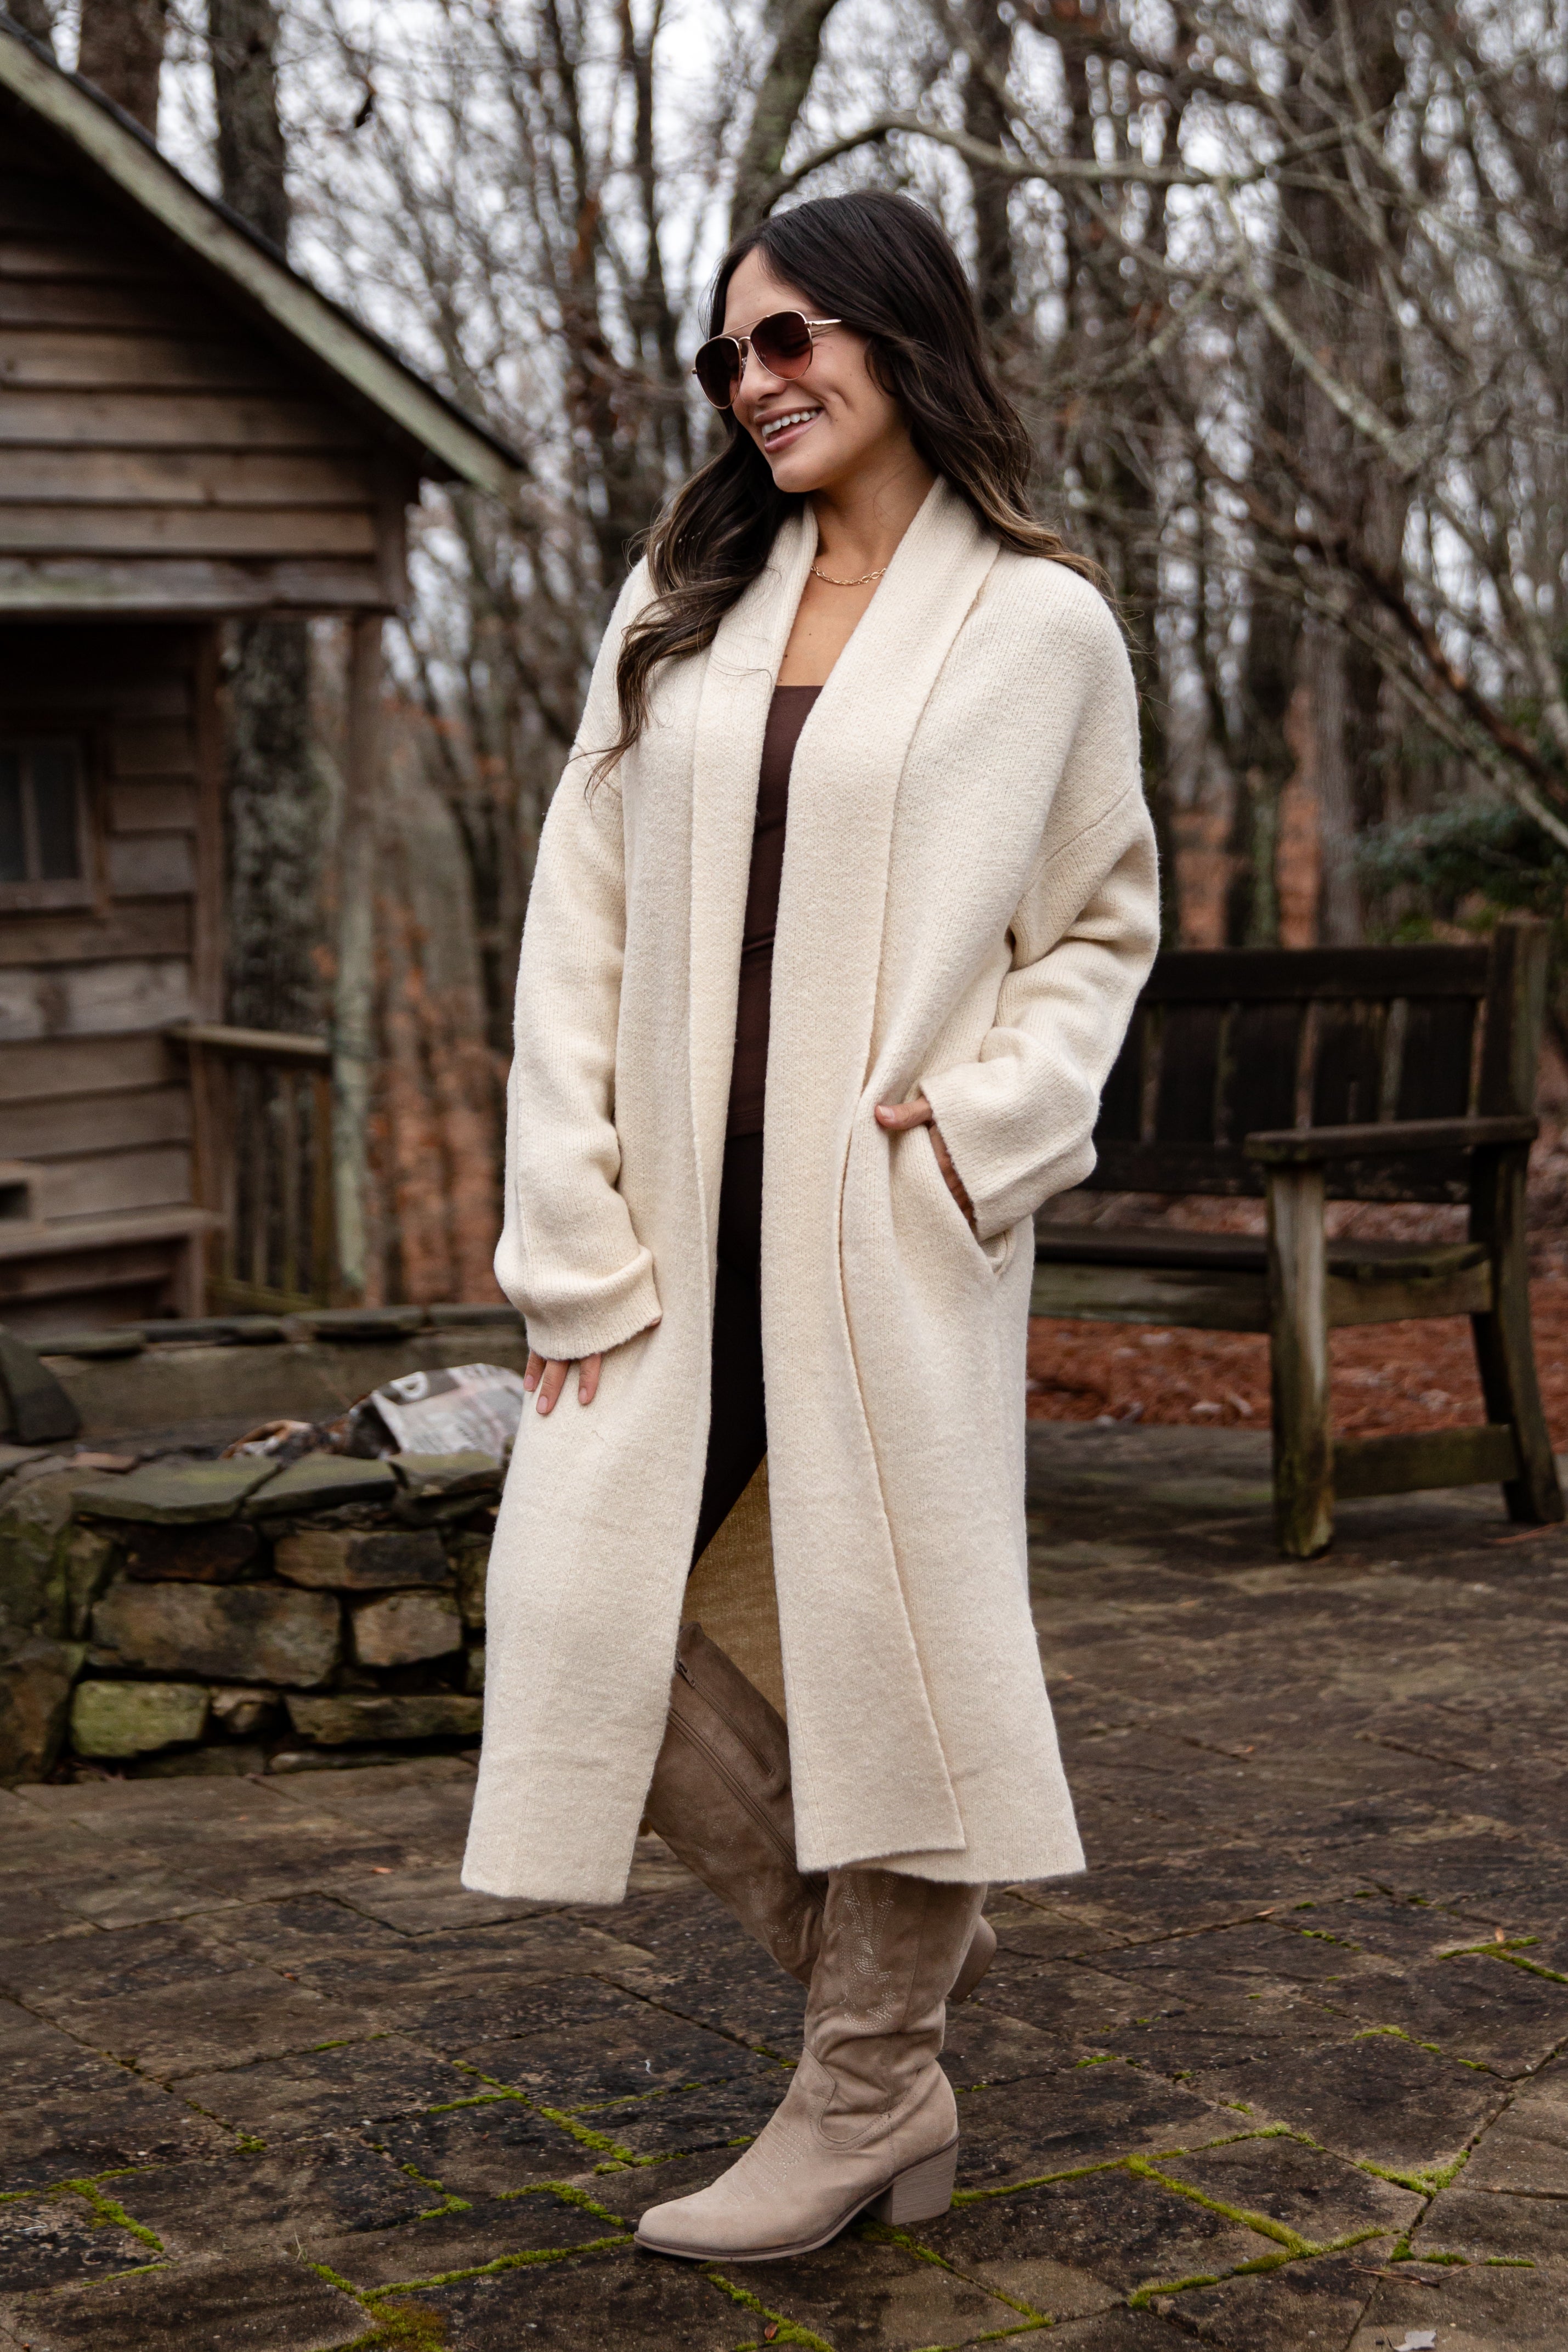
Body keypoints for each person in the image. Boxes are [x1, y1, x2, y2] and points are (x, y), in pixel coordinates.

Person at [462, 188, 1159, 2262]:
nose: (753, 384)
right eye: (729, 355)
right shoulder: (684, 590)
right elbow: (571, 923)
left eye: (788, 341)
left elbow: (1098, 924)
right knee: (577, 1608)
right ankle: (886, 2039)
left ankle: (857, 2093)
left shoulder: (1040, 626)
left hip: (887, 1227)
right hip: (674, 1225)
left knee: (903, 1652)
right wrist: (564, 1216)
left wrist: (978, 1128)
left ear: (892, 335)